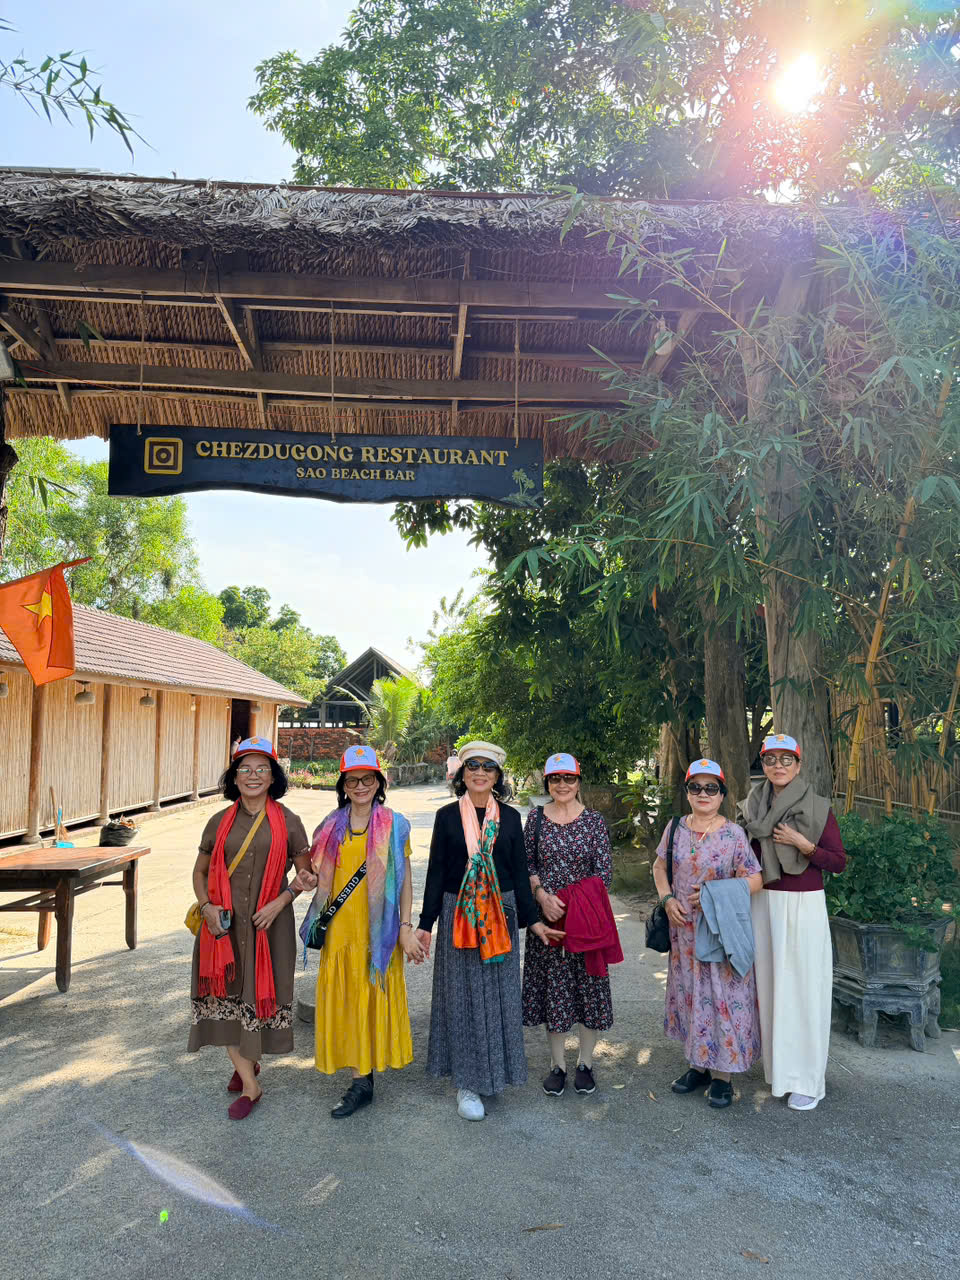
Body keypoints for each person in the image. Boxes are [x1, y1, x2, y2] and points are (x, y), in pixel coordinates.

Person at [416, 740, 563, 1120]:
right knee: (462, 996)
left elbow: (519, 872)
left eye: (488, 767)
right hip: (459, 913)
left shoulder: (511, 818)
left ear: (497, 776)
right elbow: (436, 873)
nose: (480, 773)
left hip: (501, 913)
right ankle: (467, 1083)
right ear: (462, 774)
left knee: (498, 995)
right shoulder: (447, 817)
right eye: (473, 766)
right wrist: (425, 924)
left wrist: (534, 922)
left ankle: (495, 1073)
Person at [188, 736, 311, 1120]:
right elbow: (200, 872)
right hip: (222, 929)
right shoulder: (218, 822)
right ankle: (250, 1085)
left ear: (273, 777)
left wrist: (281, 900)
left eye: (262, 769)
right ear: (234, 777)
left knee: (259, 997)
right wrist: (207, 907)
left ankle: (248, 1061)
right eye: (245, 768)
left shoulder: (289, 822)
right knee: (228, 998)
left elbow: (306, 875)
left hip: (269, 928)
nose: (253, 775)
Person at [302, 744, 425, 1118]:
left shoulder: (395, 825)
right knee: (349, 1001)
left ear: (378, 783)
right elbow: (313, 874)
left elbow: (404, 882)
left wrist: (406, 927)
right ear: (343, 784)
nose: (360, 786)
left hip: (379, 934)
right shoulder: (329, 827)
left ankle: (365, 1078)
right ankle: (360, 1080)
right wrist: (305, 880)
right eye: (352, 780)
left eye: (367, 779)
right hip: (341, 934)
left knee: (371, 998)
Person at [740, 733, 846, 1112]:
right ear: (763, 765)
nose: (778, 766)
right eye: (771, 759)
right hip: (763, 903)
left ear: (799, 765)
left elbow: (838, 861)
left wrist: (805, 846)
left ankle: (808, 1080)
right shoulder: (752, 806)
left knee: (803, 991)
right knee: (772, 990)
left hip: (801, 905)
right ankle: (781, 1073)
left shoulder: (817, 807)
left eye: (787, 759)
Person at [652, 758, 763, 1109]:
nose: (703, 794)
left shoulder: (734, 835)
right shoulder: (675, 829)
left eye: (711, 788)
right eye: (696, 787)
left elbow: (755, 879)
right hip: (683, 933)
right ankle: (698, 1065)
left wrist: (716, 894)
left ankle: (722, 1077)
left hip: (719, 932)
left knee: (723, 998)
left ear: (722, 794)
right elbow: (659, 866)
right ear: (687, 792)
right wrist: (667, 898)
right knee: (691, 995)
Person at [522, 752, 616, 1097]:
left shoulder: (593, 821)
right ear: (548, 782)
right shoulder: (536, 818)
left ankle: (586, 1063)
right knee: (554, 992)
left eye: (569, 778)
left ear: (578, 781)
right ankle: (558, 1064)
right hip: (548, 921)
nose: (562, 784)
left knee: (588, 991)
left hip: (584, 922)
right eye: (556, 779)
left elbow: (604, 873)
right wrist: (541, 896)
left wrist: (572, 903)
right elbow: (526, 864)